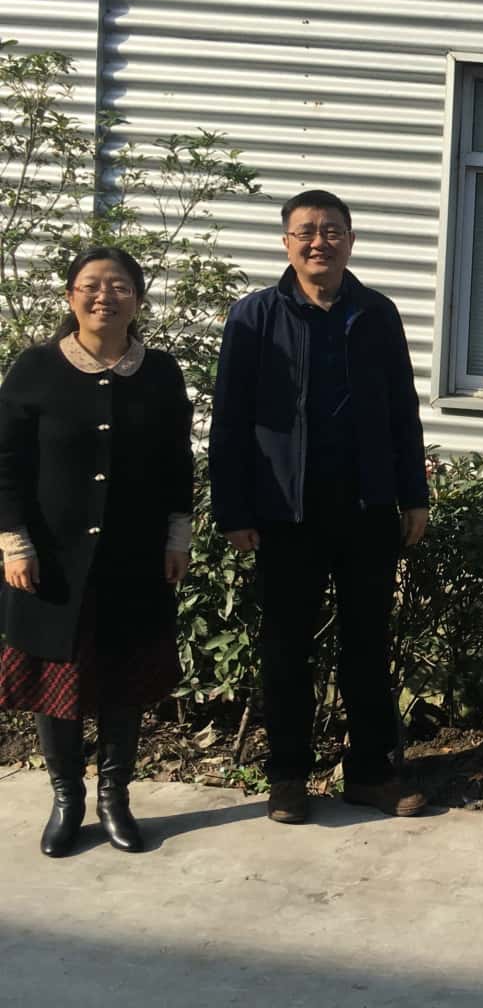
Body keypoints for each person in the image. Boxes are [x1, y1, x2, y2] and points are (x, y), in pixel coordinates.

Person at [210, 189, 429, 824]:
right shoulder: (254, 317)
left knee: (367, 644)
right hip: (285, 512)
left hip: (366, 507)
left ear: (350, 241)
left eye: (331, 230)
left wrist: (413, 495)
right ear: (287, 242)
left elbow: (402, 411)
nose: (319, 242)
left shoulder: (377, 314)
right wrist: (234, 510)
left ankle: (370, 774)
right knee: (286, 649)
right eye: (306, 231)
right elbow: (230, 419)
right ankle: (288, 778)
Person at [0, 247, 193, 857]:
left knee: (124, 678)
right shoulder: (35, 368)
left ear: (138, 299)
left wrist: (177, 536)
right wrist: (13, 541)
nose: (104, 296)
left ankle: (115, 799)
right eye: (91, 285)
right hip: (51, 561)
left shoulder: (159, 372)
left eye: (119, 286)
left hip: (133, 558)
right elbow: (5, 463)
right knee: (57, 680)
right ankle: (67, 799)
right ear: (70, 296)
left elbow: (177, 461)